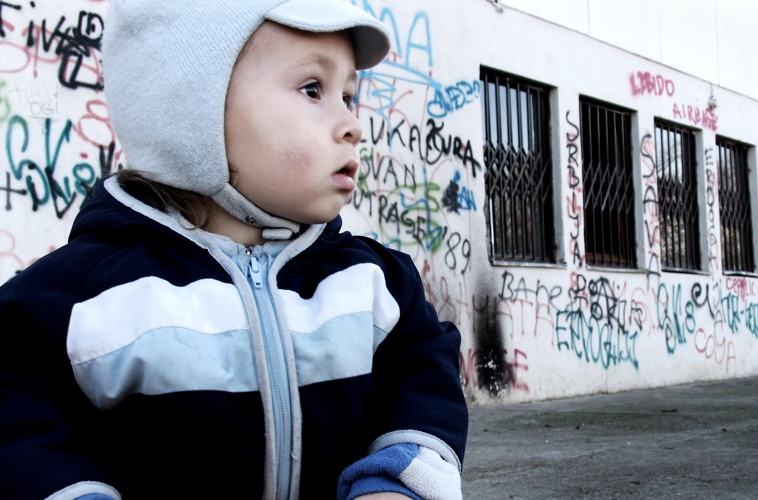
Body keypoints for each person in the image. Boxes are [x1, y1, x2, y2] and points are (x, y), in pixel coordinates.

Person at [0, 0, 468, 498]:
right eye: (314, 89)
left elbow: (424, 382)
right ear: (189, 109)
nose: (352, 123)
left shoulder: (375, 285)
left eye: (349, 96)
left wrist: (399, 480)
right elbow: (20, 422)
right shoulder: (82, 299)